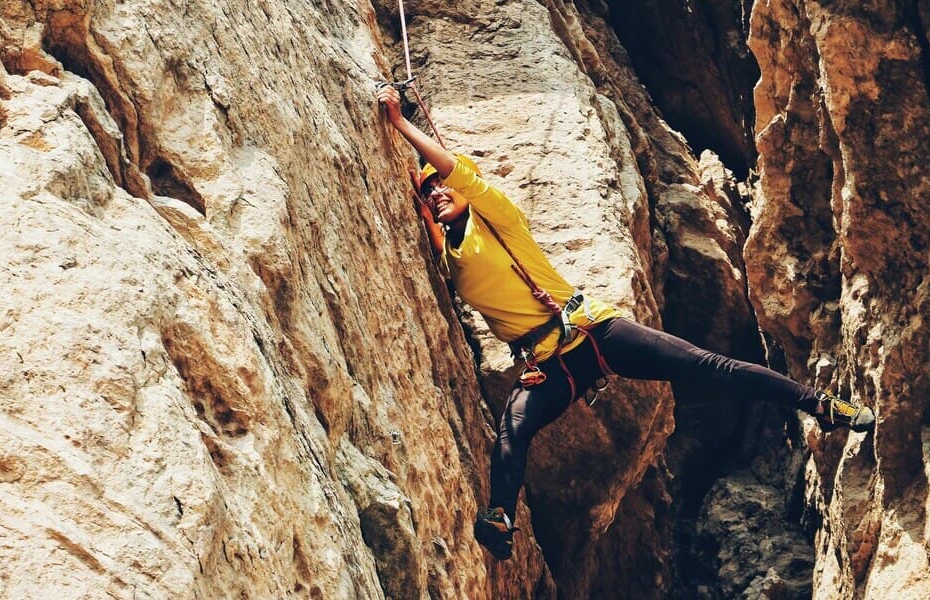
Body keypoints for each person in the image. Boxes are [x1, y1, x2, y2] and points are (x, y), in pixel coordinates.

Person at [375, 85, 875, 561]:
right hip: (546, 365)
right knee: (512, 433)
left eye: (445, 187)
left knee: (709, 367)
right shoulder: (450, 258)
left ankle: (821, 405)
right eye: (430, 194)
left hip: (593, 331)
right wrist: (419, 190)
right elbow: (429, 210)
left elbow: (451, 169)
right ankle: (500, 518)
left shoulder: (499, 218)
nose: (438, 194)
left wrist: (400, 121)